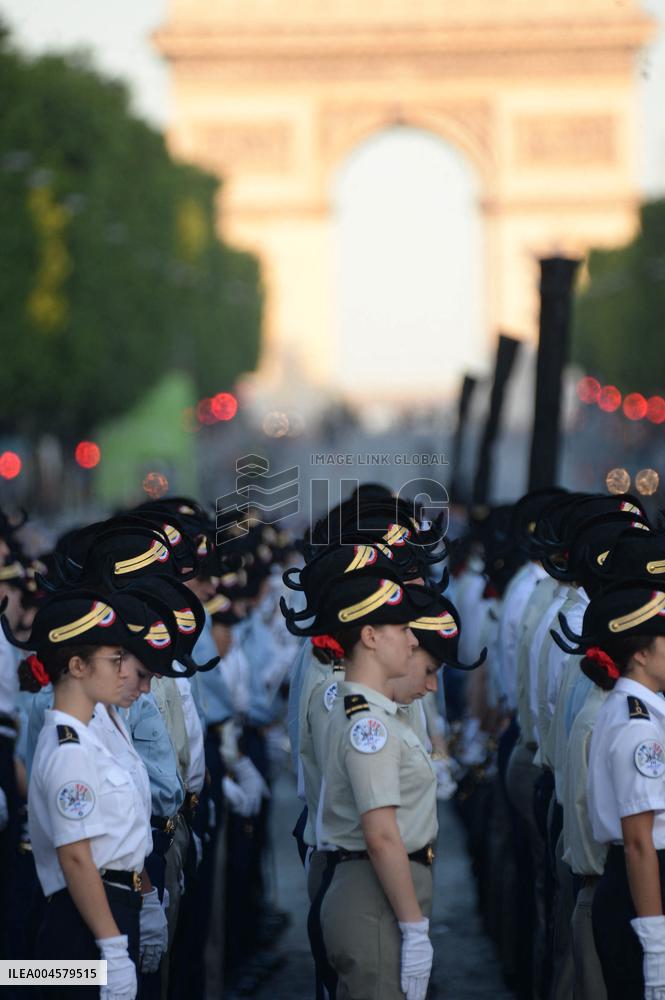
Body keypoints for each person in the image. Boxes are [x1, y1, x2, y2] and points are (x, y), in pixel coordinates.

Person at [282, 560, 445, 1000]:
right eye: (402, 629)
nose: (414, 639)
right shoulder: (366, 724)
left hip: (380, 892)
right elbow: (381, 836)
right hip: (372, 897)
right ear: (370, 638)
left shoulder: (371, 712)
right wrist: (413, 930)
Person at [2, 588, 158, 1000]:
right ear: (76, 666)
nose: (124, 672)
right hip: (85, 921)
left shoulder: (91, 737)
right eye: (114, 660)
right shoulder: (70, 749)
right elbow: (75, 858)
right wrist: (112, 950)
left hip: (106, 910)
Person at [555, 580, 665, 1000]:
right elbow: (638, 842)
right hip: (642, 889)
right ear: (640, 652)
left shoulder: (633, 708)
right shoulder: (638, 729)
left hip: (636, 884)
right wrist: (655, 948)